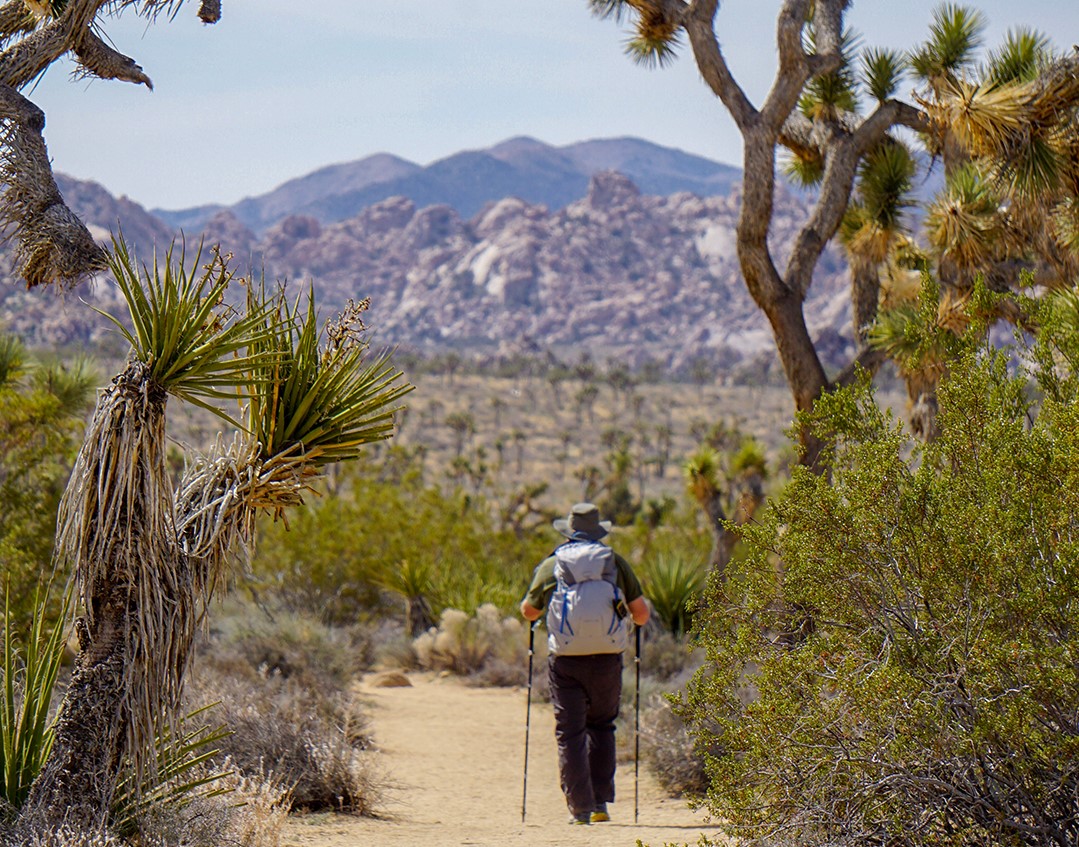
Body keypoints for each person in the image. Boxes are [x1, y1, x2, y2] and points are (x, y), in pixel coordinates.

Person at [520, 502, 650, 825]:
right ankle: (600, 804)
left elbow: (528, 611)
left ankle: (579, 808)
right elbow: (642, 614)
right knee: (602, 725)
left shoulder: (554, 564)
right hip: (607, 657)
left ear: (568, 530)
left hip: (566, 660)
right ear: (599, 531)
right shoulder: (614, 562)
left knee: (570, 732)